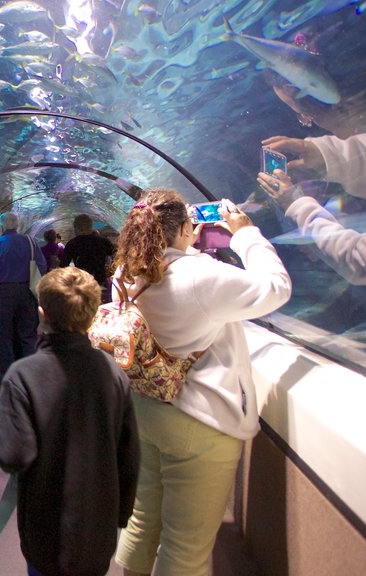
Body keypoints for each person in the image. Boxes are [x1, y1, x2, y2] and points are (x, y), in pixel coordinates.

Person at [111, 189, 291, 576]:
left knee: (143, 520)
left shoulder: (125, 274)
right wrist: (245, 234)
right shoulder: (201, 276)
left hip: (145, 406)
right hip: (198, 421)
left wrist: (188, 244)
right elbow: (277, 288)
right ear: (185, 228)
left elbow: (174, 273)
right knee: (184, 546)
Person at [0, 266, 140, 576]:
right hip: (98, 529)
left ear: (42, 314)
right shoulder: (113, 373)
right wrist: (121, 513)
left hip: (46, 531)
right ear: (93, 314)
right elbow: (129, 456)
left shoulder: (23, 376)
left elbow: (12, 454)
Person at [258, 87, 366, 342]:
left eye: (305, 115)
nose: (310, 122)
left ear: (340, 103)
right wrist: (323, 155)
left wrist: (297, 205)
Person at [0, 211, 46, 380]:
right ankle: (30, 376)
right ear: (17, 225)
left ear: (1, 226)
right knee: (28, 334)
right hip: (27, 291)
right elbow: (42, 265)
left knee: (5, 335)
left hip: (4, 293)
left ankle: (8, 376)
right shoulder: (31, 242)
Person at [62, 214, 116, 303]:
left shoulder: (72, 244)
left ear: (76, 227)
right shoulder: (103, 241)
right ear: (91, 226)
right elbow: (116, 256)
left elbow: (64, 265)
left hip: (82, 281)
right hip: (100, 280)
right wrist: (111, 271)